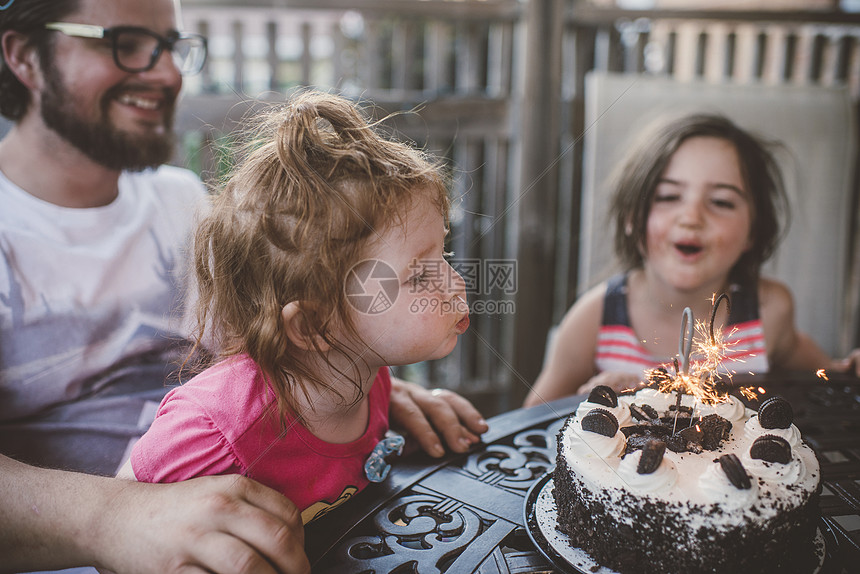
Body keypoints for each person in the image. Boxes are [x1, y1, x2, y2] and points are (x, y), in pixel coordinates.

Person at [0, 0, 484, 571]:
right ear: (24, 56)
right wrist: (114, 516)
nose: (165, 72)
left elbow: (284, 343)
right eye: (124, 42)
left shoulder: (180, 200)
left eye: (172, 45)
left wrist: (358, 381)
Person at [117, 90, 473, 526]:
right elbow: (125, 516)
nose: (455, 283)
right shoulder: (218, 433)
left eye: (445, 258)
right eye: (420, 275)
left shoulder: (370, 376)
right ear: (313, 325)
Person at [524, 113, 860, 407]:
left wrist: (847, 370)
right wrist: (589, 402)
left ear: (753, 232)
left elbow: (829, 382)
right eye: (668, 196)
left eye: (721, 202)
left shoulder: (769, 310)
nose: (692, 217)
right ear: (631, 217)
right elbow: (532, 423)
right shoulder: (595, 318)